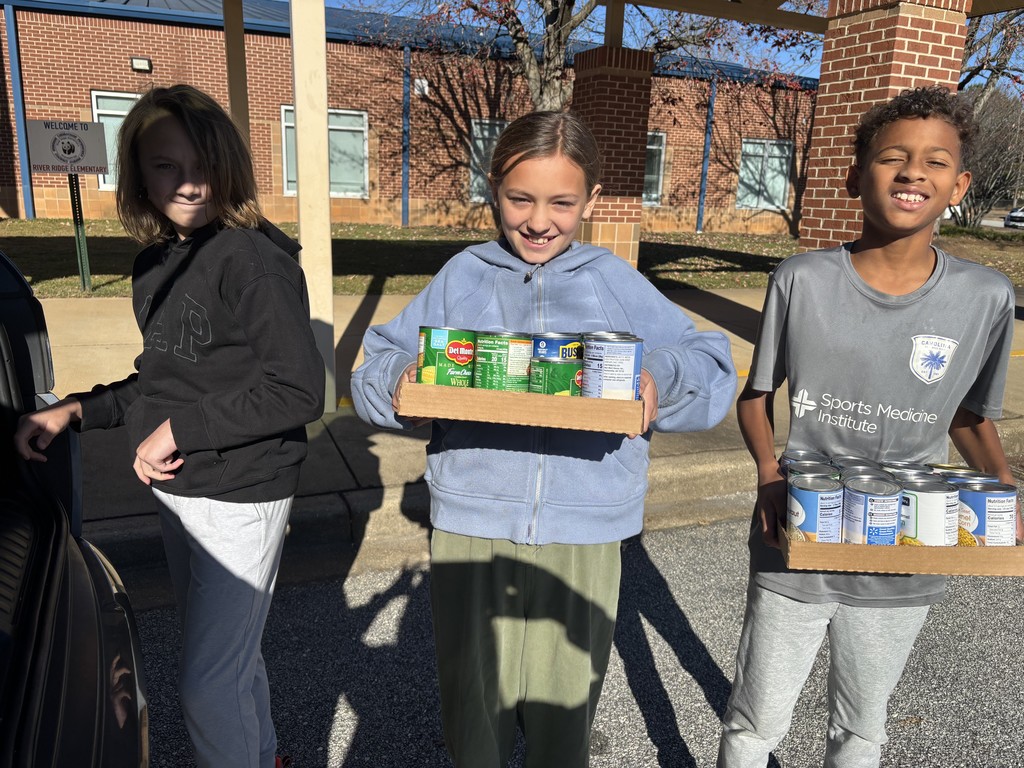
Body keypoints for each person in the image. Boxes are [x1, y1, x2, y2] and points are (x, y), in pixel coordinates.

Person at [351, 110, 737, 766]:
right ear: (493, 187)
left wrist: (658, 380)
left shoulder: (614, 281)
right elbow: (374, 367)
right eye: (519, 198)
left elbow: (712, 365)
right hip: (471, 528)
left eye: (561, 202)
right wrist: (400, 385)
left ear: (590, 199)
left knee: (563, 725)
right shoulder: (463, 276)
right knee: (474, 716)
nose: (538, 221)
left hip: (583, 535)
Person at [14, 84, 324, 768]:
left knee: (207, 687)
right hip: (183, 495)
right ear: (136, 174)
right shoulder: (158, 262)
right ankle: (266, 755)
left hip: (243, 494)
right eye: (164, 164)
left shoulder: (253, 260)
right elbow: (164, 378)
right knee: (230, 660)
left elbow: (299, 390)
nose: (188, 180)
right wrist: (77, 410)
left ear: (229, 162)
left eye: (202, 161)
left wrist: (181, 429)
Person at [717, 86, 1018, 768]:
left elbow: (968, 415)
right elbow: (755, 397)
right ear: (856, 176)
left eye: (936, 161)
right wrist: (770, 475)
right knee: (756, 720)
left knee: (861, 729)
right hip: (799, 533)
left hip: (905, 545)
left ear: (960, 185)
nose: (914, 171)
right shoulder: (801, 279)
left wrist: (1004, 489)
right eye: (893, 157)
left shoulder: (986, 298)